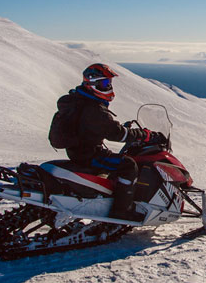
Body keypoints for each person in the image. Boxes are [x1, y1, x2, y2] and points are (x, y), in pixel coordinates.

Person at [49, 63, 165, 220]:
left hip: (80, 151)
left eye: (108, 83)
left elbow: (100, 127)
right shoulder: (93, 108)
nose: (108, 87)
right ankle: (122, 211)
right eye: (104, 83)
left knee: (117, 163)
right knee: (128, 165)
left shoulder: (79, 100)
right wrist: (143, 135)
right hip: (90, 154)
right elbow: (117, 133)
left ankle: (107, 198)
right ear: (92, 84)